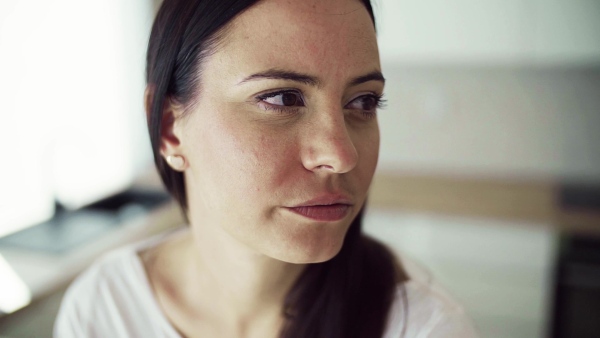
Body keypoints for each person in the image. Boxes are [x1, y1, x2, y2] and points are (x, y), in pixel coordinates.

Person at [54, 0, 478, 337]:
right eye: (281, 99)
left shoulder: (423, 328)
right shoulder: (104, 311)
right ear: (170, 130)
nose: (341, 154)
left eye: (363, 101)